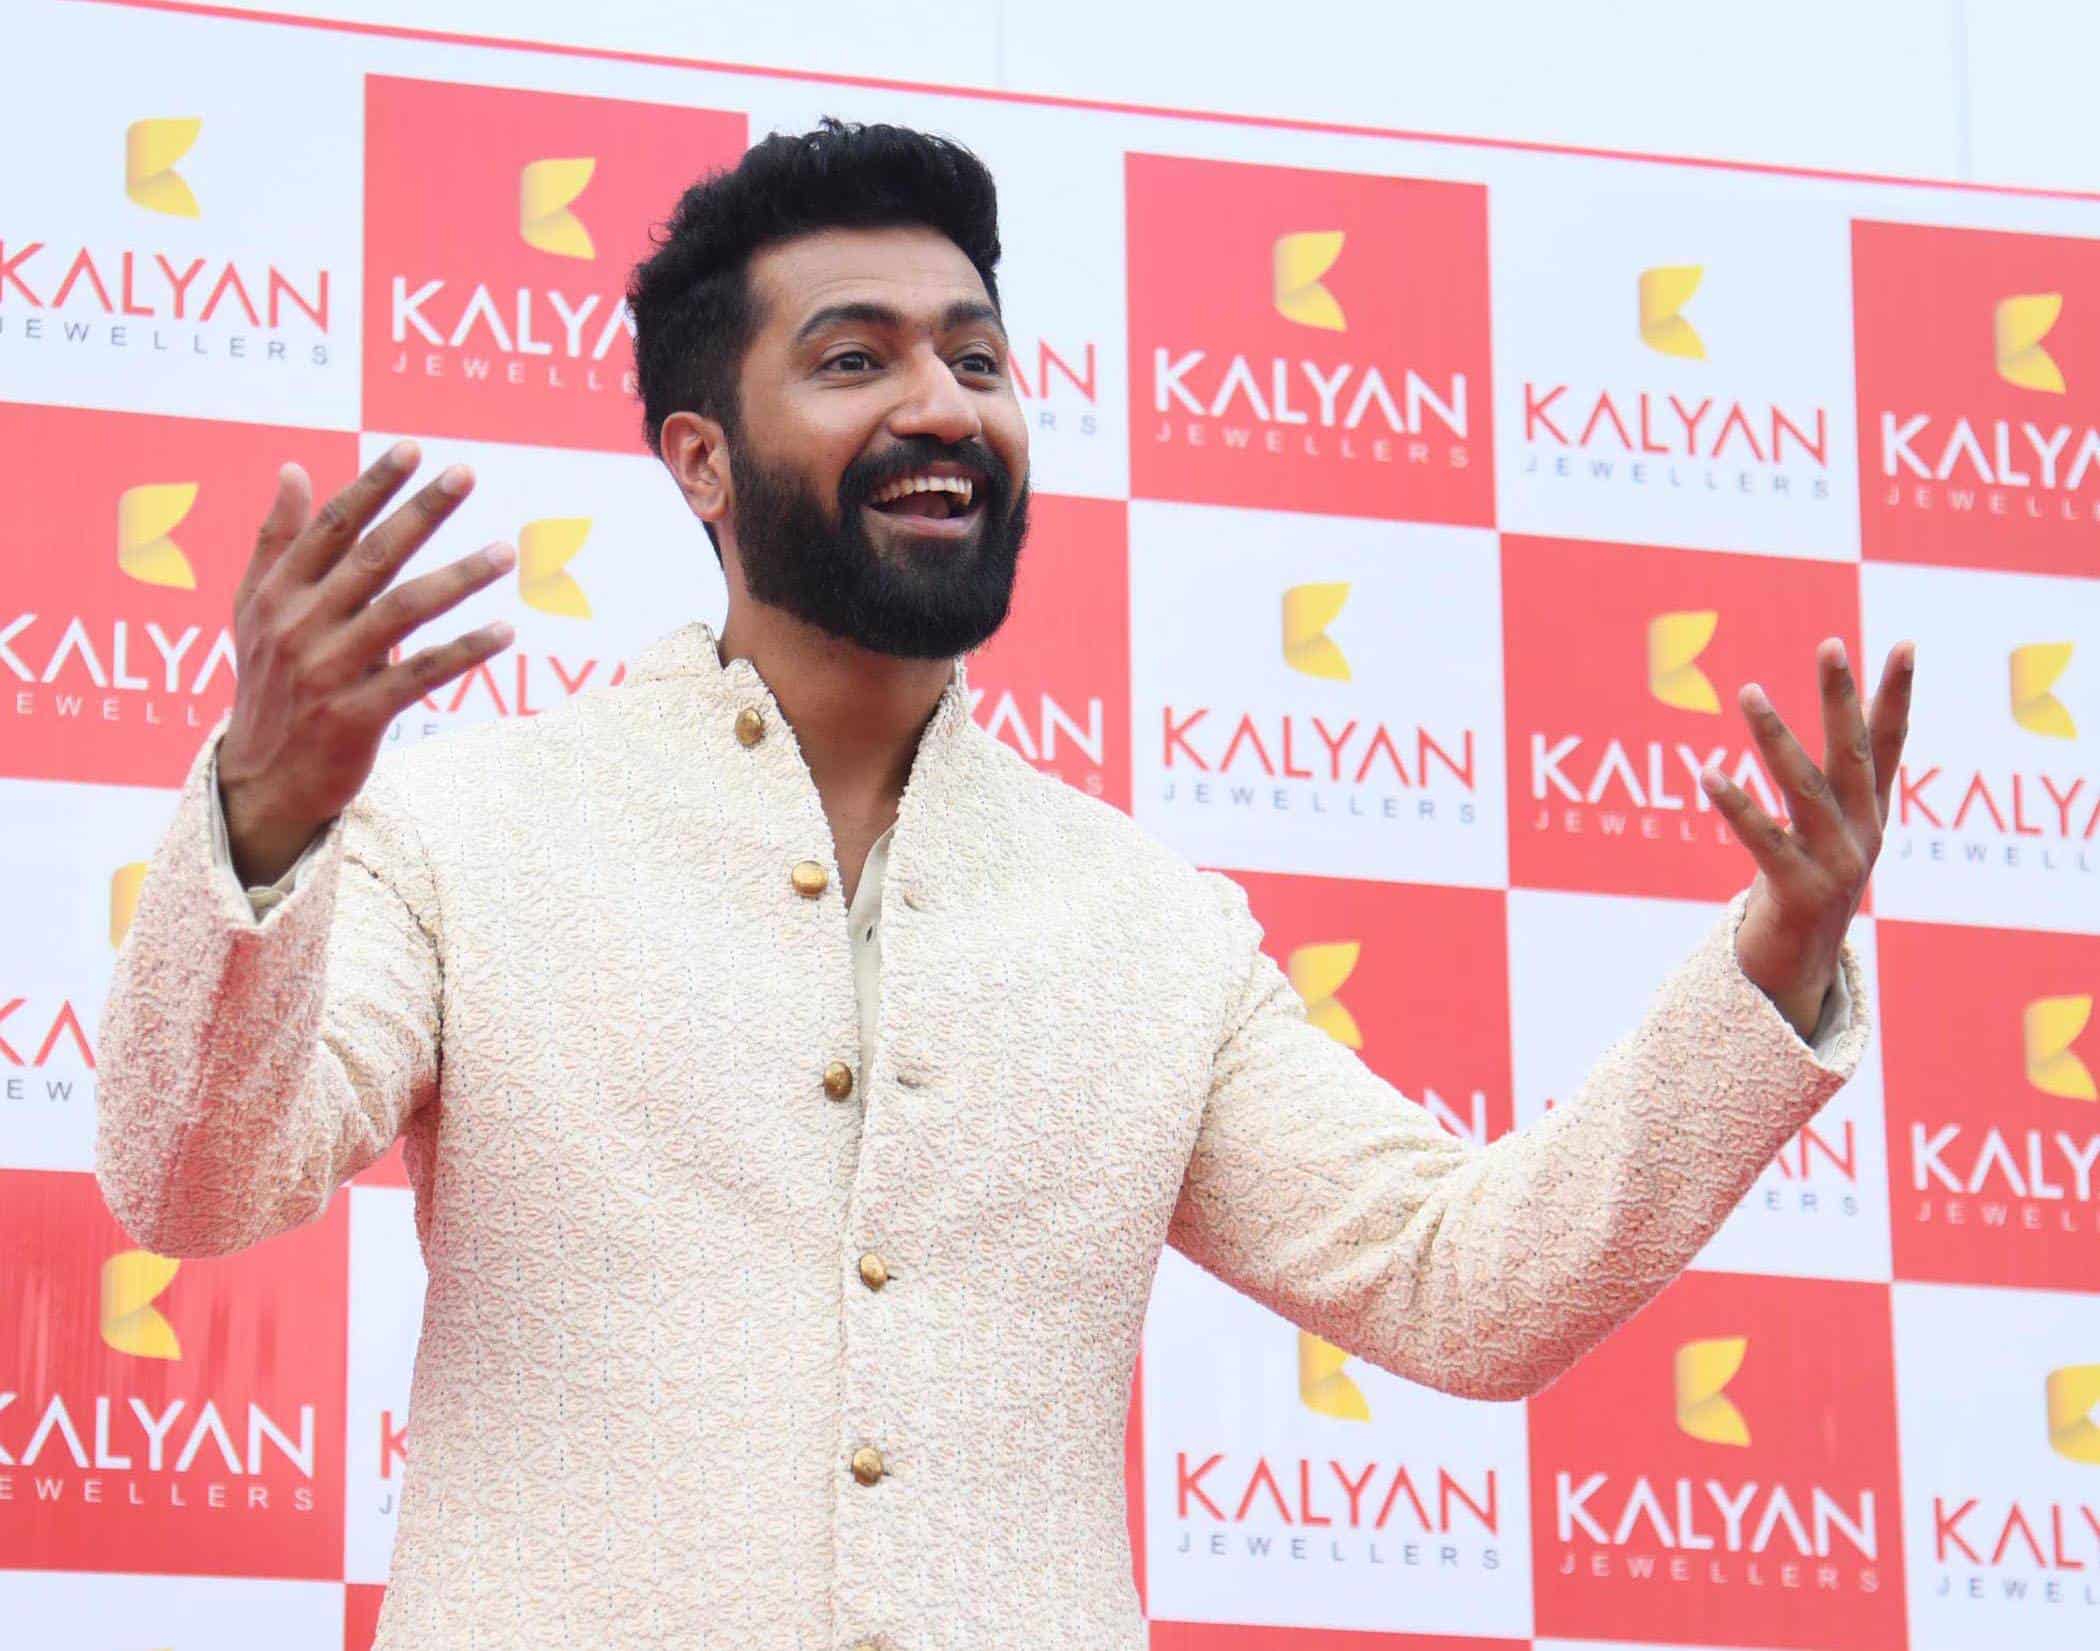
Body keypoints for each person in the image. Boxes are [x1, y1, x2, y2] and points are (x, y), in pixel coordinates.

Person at [95, 120, 1912, 1651]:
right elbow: (189, 1184)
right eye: (855, 358)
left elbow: (1464, 1288)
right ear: (699, 458)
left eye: (974, 357)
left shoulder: (1144, 920)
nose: (940, 406)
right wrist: (267, 806)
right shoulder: (470, 831)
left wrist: (1772, 961)